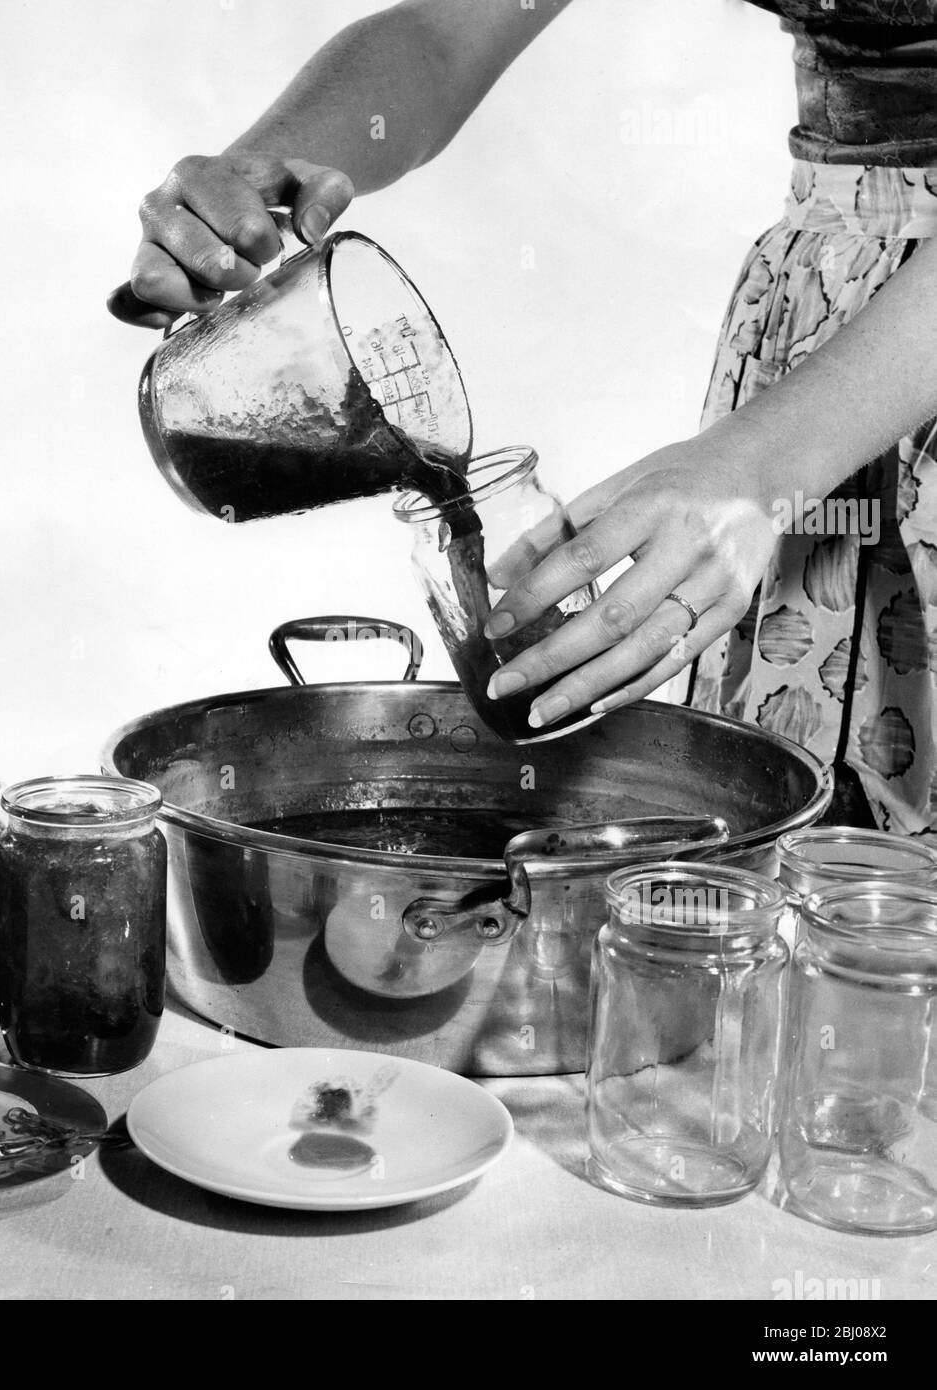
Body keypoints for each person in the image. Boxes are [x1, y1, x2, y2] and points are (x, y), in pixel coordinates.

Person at [109, 0, 937, 836]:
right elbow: (442, 38)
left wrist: (764, 466)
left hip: (894, 364)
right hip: (827, 302)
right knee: (831, 883)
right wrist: (265, 173)